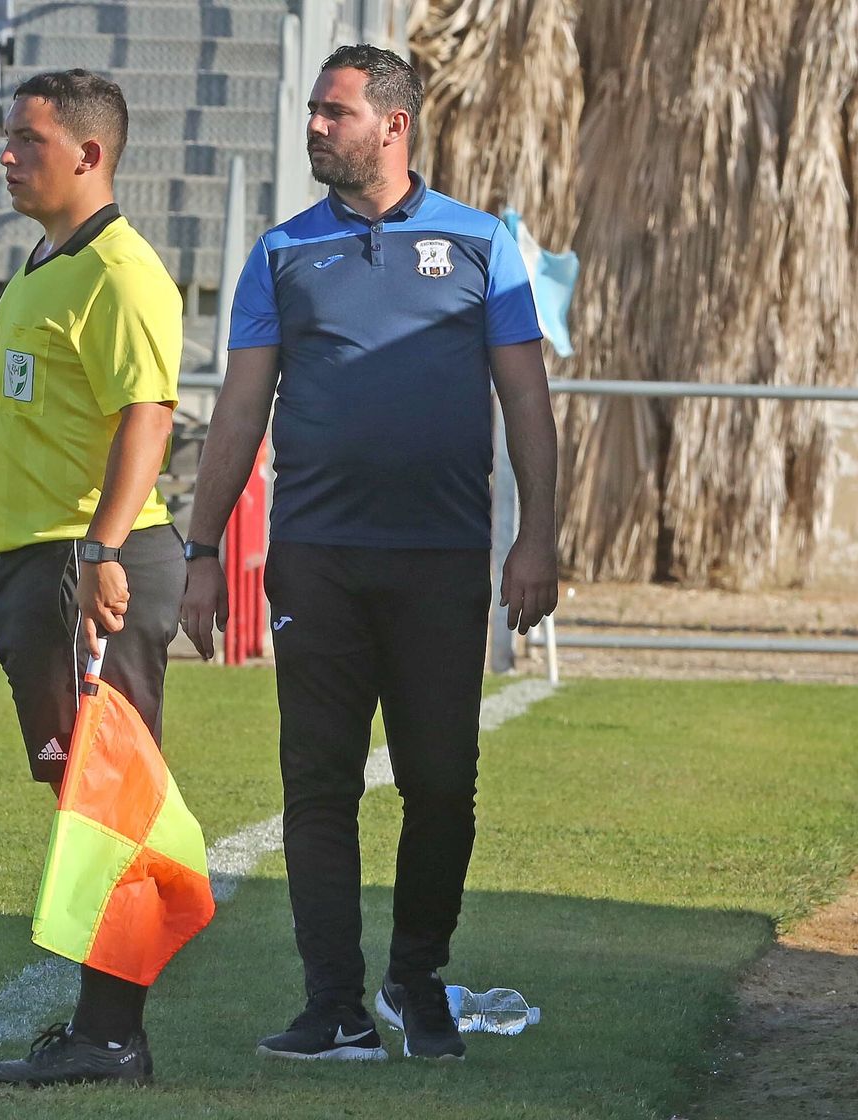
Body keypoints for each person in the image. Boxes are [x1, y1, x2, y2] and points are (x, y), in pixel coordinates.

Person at [179, 44, 559, 1063]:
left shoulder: (481, 245)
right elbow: (241, 406)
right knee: (319, 785)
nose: (314, 126)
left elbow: (525, 398)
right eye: (312, 111)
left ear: (392, 125)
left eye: (331, 112)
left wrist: (538, 536)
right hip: (317, 559)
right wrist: (203, 544)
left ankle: (416, 977)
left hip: (441, 559)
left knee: (442, 782)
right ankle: (333, 1004)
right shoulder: (282, 251)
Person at [0, 70, 184, 1088]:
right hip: (38, 559)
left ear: (89, 154)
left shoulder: (121, 271)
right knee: (74, 786)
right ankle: (102, 1021)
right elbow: (27, 425)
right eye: (5, 136)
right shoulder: (41, 266)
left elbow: (146, 418)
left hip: (91, 566)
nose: (5, 155)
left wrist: (104, 548)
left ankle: (110, 1036)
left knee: (104, 797)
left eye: (26, 139)